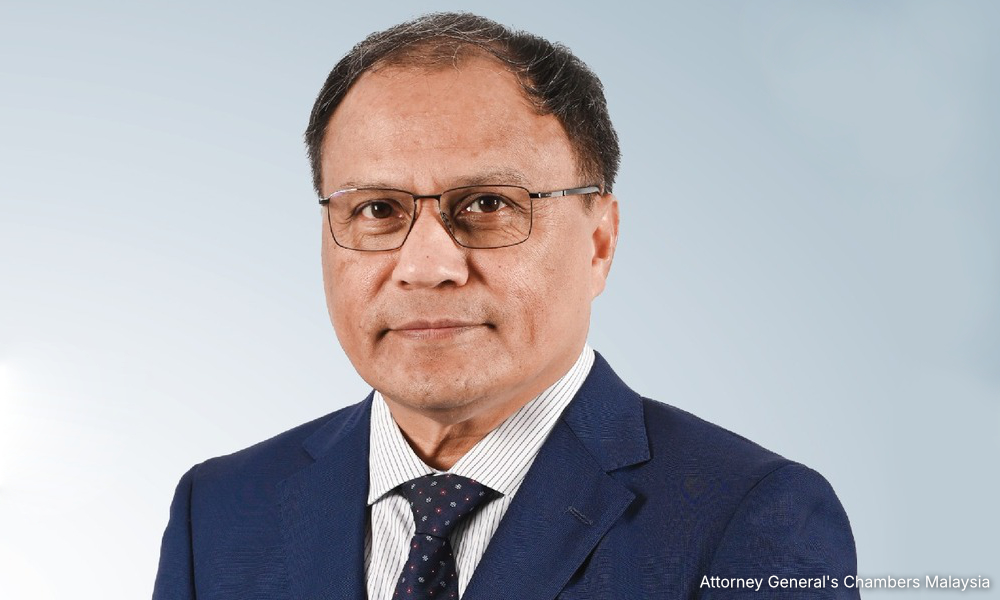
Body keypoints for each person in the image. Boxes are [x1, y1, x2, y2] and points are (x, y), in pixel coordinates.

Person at [153, 12, 859, 600]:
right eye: (377, 209)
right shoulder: (218, 511)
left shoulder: (751, 518)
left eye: (488, 204)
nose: (427, 267)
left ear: (599, 242)